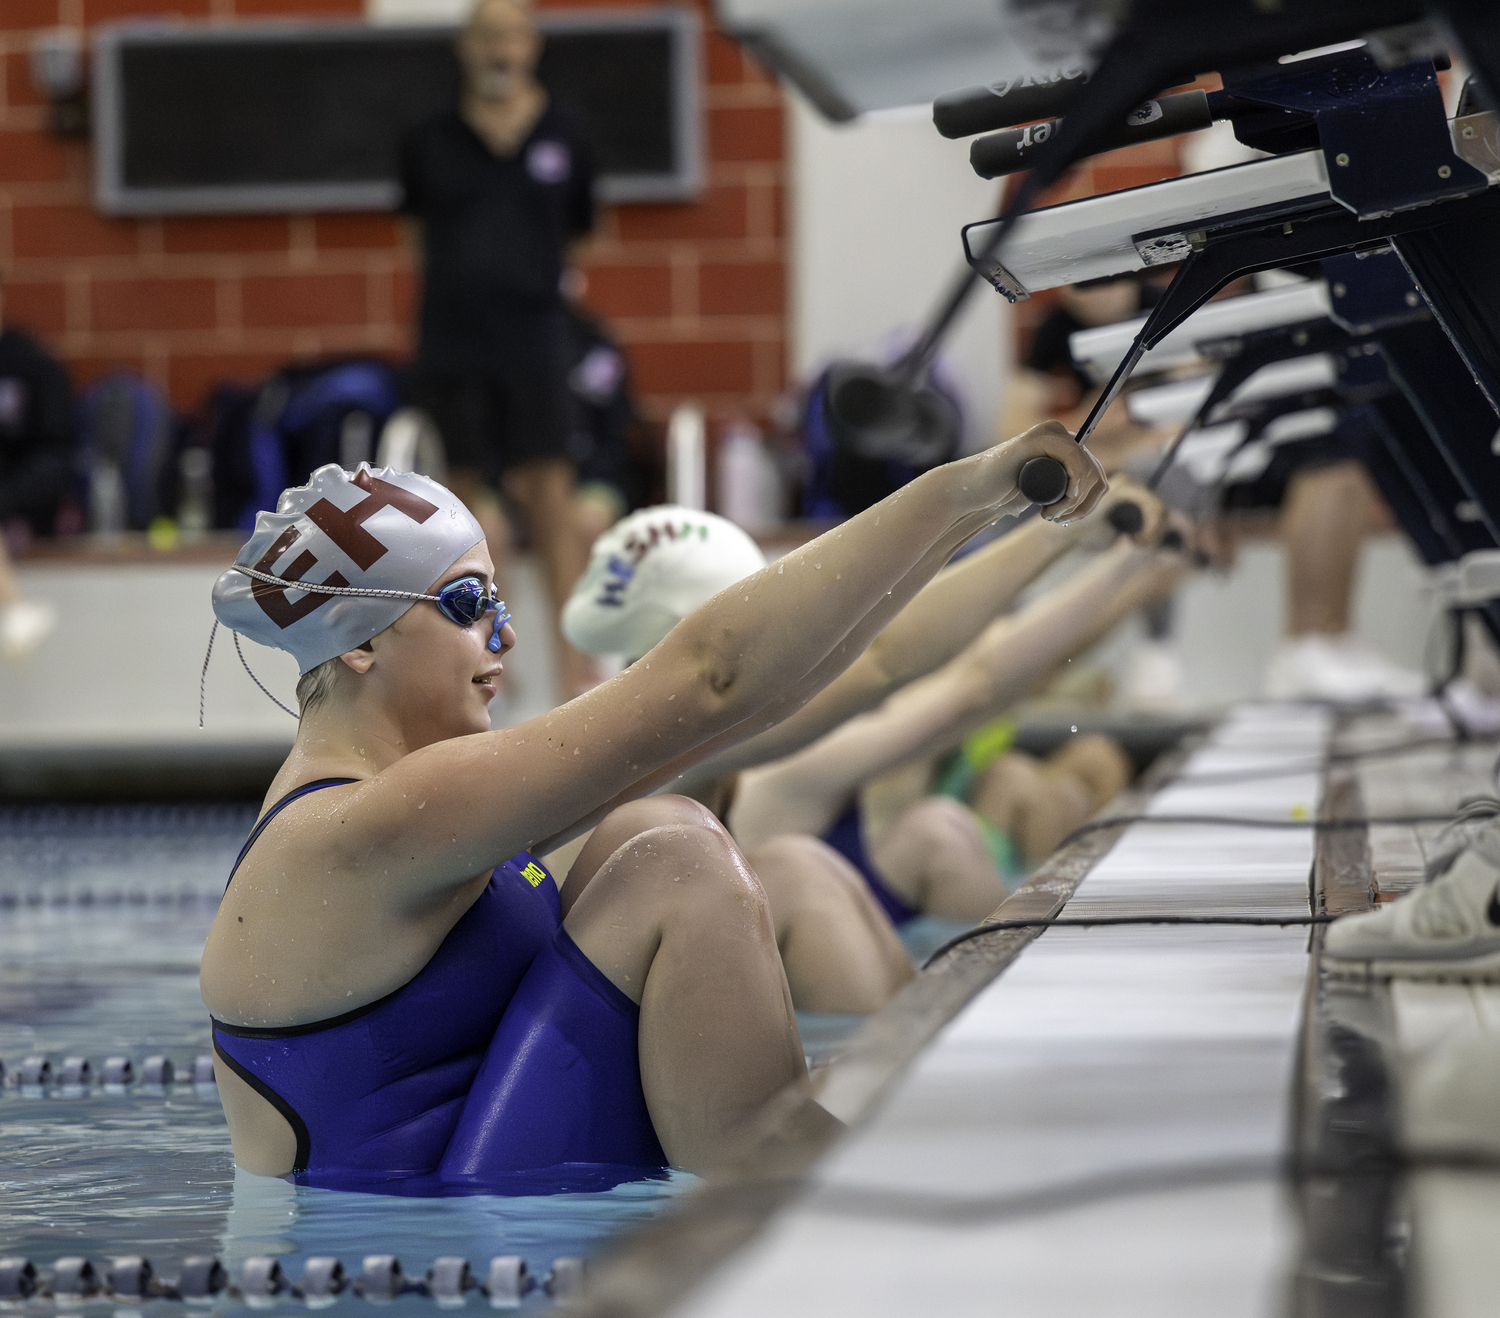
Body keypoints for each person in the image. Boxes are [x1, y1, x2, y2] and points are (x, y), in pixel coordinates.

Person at [198, 422, 1106, 1190]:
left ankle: (812, 1160)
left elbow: (793, 690)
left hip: (492, 1200)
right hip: (443, 1249)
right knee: (672, 853)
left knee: (873, 1047)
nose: (504, 633)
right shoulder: (362, 830)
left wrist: (998, 511)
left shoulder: (421, 806)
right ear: (360, 641)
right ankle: (803, 1198)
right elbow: (715, 678)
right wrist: (960, 489)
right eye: (468, 601)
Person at [400, 0, 600, 699]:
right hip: (454, 338)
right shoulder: (429, 136)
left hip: (536, 337)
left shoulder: (565, 133)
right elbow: (416, 235)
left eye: (510, 37)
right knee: (465, 505)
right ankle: (488, 667)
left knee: (549, 493)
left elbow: (578, 234)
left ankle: (578, 673)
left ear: (531, 45)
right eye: (486, 39)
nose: (499, 52)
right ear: (466, 48)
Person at [0, 281, 73, 657]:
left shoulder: (29, 365)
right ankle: (15, 605)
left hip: (21, 500)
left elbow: (56, 453)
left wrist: (9, 500)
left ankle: (16, 606)